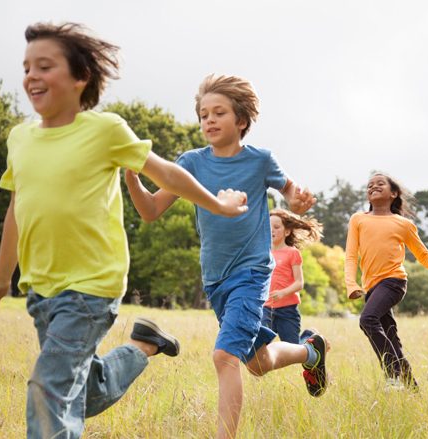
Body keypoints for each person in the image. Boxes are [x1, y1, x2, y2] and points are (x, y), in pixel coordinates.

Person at [0, 22, 247, 439]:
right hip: (42, 288)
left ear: (80, 77)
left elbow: (167, 174)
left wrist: (220, 204)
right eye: (27, 67)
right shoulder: (19, 139)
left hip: (92, 287)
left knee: (49, 389)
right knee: (79, 391)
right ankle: (143, 346)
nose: (31, 76)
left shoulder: (105, 130)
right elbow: (17, 208)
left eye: (45, 66)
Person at [124, 74, 328, 439]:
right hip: (215, 279)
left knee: (224, 357)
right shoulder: (190, 162)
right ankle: (311, 353)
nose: (209, 120)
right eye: (203, 115)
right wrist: (132, 179)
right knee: (258, 364)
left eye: (219, 113)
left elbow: (291, 191)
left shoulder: (260, 161)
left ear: (242, 120)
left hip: (251, 273)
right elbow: (151, 210)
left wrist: (297, 200)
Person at [345, 173, 428, 390]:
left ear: (393, 193)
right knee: (391, 339)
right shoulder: (358, 219)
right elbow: (350, 255)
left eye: (380, 184)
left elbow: (423, 255)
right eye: (370, 185)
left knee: (367, 319)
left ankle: (392, 374)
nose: (373, 187)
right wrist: (351, 284)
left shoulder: (403, 224)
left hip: (394, 282)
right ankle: (412, 389)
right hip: (371, 287)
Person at [262, 208, 323, 344]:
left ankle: (309, 336)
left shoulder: (292, 253)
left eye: (276, 227)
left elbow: (299, 283)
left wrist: (283, 293)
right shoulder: (263, 253)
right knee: (261, 345)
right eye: (268, 227)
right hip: (266, 307)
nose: (272, 230)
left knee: (293, 348)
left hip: (287, 310)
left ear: (287, 231)